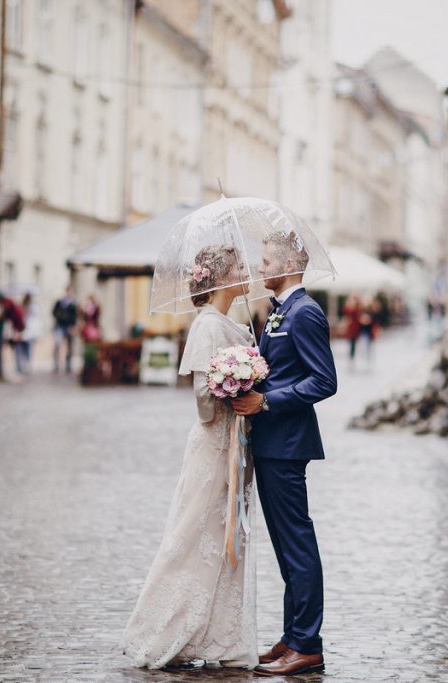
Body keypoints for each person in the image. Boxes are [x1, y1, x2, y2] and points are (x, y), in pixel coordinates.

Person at [121, 245, 258, 670]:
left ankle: (219, 636)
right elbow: (202, 400)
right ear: (220, 278)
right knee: (193, 537)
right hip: (213, 446)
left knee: (225, 541)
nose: (246, 272)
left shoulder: (232, 324)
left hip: (235, 444)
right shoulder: (207, 326)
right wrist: (236, 388)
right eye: (239, 267)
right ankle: (164, 630)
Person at [232, 230, 337, 677]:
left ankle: (307, 643)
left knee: (297, 544)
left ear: (290, 265)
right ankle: (292, 636)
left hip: (288, 443)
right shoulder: (279, 312)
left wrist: (267, 401)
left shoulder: (306, 312)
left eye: (267, 259)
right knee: (285, 544)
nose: (260, 267)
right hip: (272, 442)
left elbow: (324, 381)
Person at [51, 286, 78, 373]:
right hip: (59, 326)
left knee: (69, 346)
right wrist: (59, 316)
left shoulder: (73, 304)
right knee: (57, 345)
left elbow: (75, 316)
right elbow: (53, 312)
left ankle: (68, 365)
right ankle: (56, 364)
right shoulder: (59, 302)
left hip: (68, 326)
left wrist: (73, 326)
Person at [15, 293, 42, 375]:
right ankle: (20, 366)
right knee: (21, 348)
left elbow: (37, 318)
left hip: (29, 331)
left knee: (28, 348)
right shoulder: (20, 306)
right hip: (21, 330)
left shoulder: (34, 307)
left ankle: (26, 364)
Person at [342, 293, 363, 367]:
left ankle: (352, 358)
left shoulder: (357, 308)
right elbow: (345, 312)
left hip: (355, 328)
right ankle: (351, 359)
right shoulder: (350, 308)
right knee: (352, 344)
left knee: (353, 344)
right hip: (351, 329)